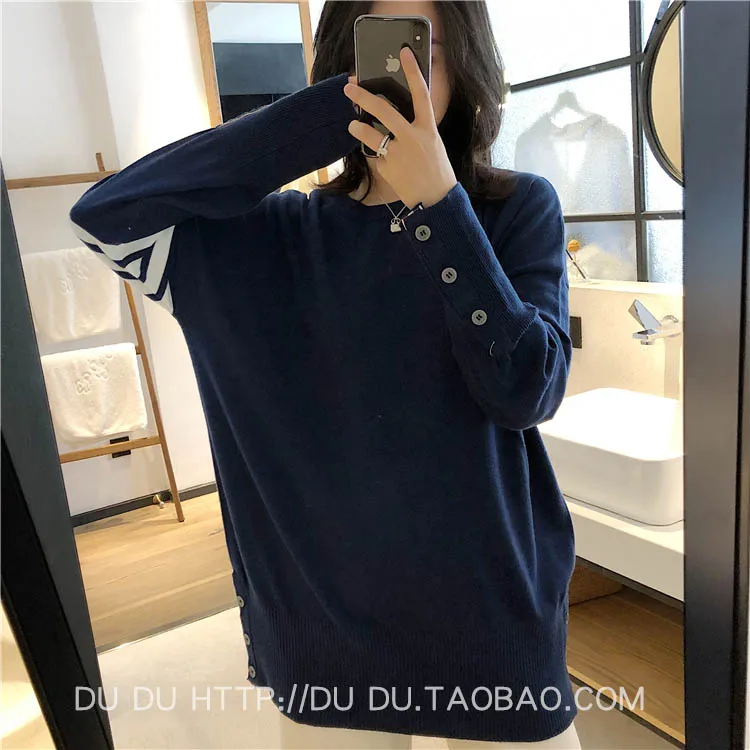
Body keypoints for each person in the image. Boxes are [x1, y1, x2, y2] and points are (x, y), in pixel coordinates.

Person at [68, 1, 580, 747]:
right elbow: (106, 214)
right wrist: (329, 118)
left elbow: (528, 389)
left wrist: (440, 205)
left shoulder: (515, 209)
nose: (404, 73)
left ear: (468, 65)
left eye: (427, 52)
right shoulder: (266, 238)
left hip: (492, 619)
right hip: (325, 633)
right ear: (343, 64)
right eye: (383, 54)